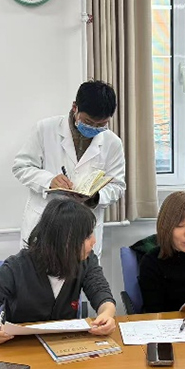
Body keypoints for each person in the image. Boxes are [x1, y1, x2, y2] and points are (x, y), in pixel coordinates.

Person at [0, 198, 117, 344]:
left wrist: (106, 315)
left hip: (64, 348)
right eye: (87, 236)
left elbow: (102, 296)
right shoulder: (17, 267)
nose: (94, 241)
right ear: (65, 240)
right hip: (20, 349)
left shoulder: (86, 261)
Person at [12, 80, 126, 259]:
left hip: (84, 231)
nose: (94, 128)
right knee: (38, 273)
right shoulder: (45, 129)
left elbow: (118, 186)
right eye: (88, 122)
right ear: (75, 108)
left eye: (101, 125)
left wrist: (95, 197)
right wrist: (49, 180)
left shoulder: (112, 143)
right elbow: (21, 166)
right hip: (45, 226)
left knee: (83, 273)